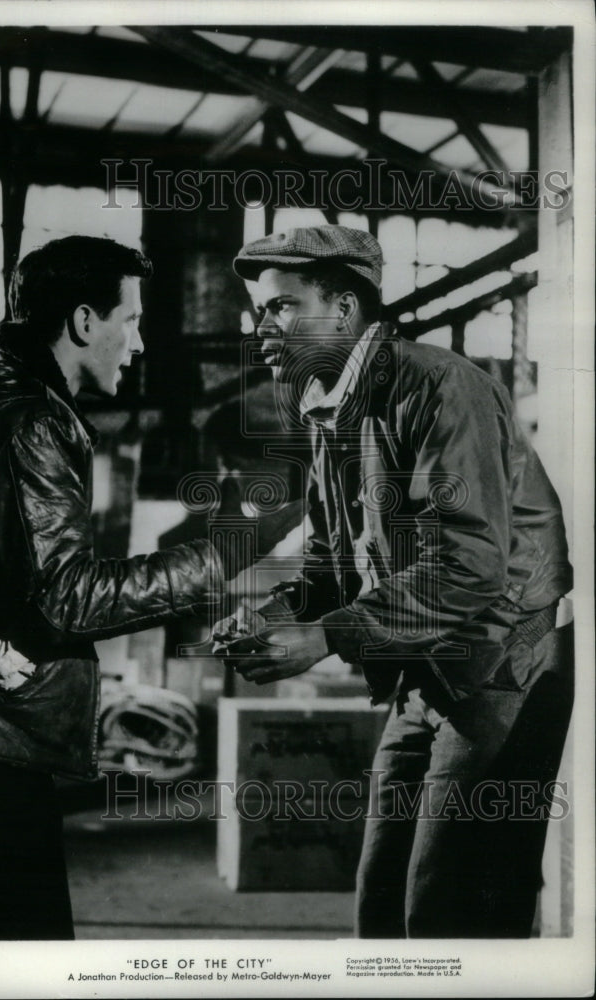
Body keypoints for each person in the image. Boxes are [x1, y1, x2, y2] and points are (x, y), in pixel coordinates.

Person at [0, 235, 301, 940]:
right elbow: (70, 600)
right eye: (131, 321)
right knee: (23, 949)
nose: (138, 342)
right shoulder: (28, 415)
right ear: (85, 321)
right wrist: (233, 550)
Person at [214, 224, 574, 938]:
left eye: (280, 306)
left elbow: (471, 563)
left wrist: (326, 635)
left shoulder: (439, 385)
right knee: (381, 904)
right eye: (260, 309)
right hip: (427, 673)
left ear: (343, 310)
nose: (260, 325)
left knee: (450, 910)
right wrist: (277, 611)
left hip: (503, 668)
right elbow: (329, 560)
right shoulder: (328, 409)